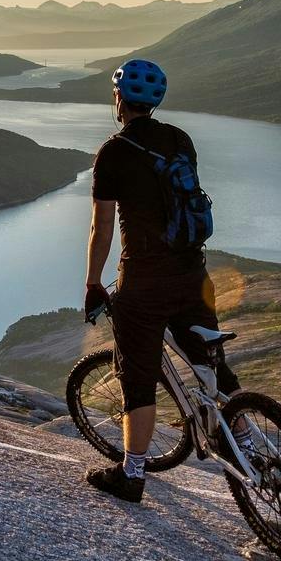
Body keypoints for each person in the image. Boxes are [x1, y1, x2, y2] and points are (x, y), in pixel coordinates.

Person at [82, 57, 235, 503]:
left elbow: (102, 229)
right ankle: (243, 439)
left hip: (144, 281)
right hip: (192, 271)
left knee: (138, 377)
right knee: (210, 361)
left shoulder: (113, 152)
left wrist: (93, 283)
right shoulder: (179, 139)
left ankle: (132, 474)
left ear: (118, 99)